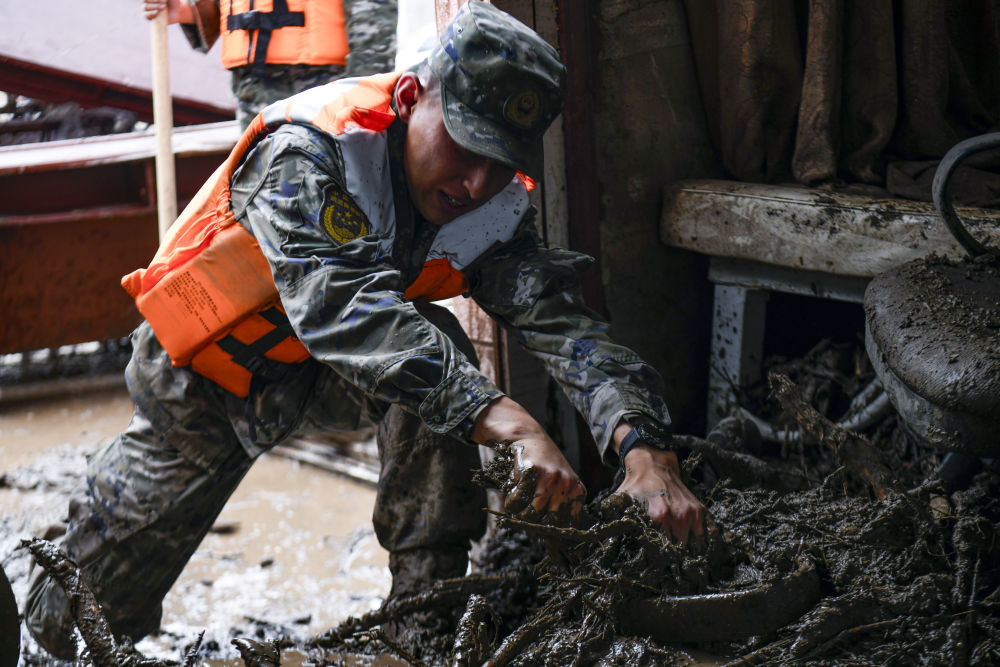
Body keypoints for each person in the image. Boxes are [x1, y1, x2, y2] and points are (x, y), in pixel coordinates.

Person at [26, 1, 705, 658]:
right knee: (69, 622)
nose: (475, 182)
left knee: (440, 342)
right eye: (465, 142)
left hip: (329, 382)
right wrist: (515, 422)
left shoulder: (489, 206)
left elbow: (565, 325)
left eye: (500, 160)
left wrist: (644, 445)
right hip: (206, 386)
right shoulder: (307, 152)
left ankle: (425, 620)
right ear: (411, 94)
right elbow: (344, 310)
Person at [143, 0, 397, 129]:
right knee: (262, 200)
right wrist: (189, 11)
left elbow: (374, 13)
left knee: (329, 196)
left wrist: (365, 90)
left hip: (323, 86)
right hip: (252, 86)